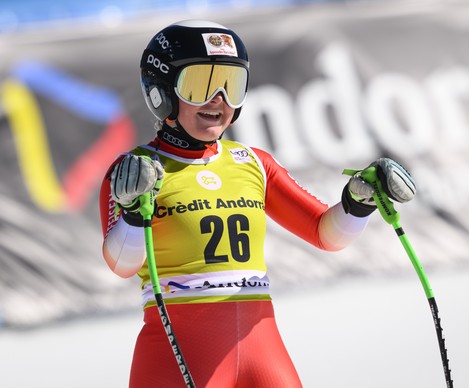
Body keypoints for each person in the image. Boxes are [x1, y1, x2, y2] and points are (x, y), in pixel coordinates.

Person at [98, 19, 416, 388]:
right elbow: (121, 264)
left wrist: (358, 201)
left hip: (262, 349)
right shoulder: (138, 170)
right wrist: (136, 214)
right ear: (161, 91)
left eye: (231, 85)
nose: (219, 99)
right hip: (178, 354)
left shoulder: (253, 163)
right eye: (200, 84)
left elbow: (325, 234)